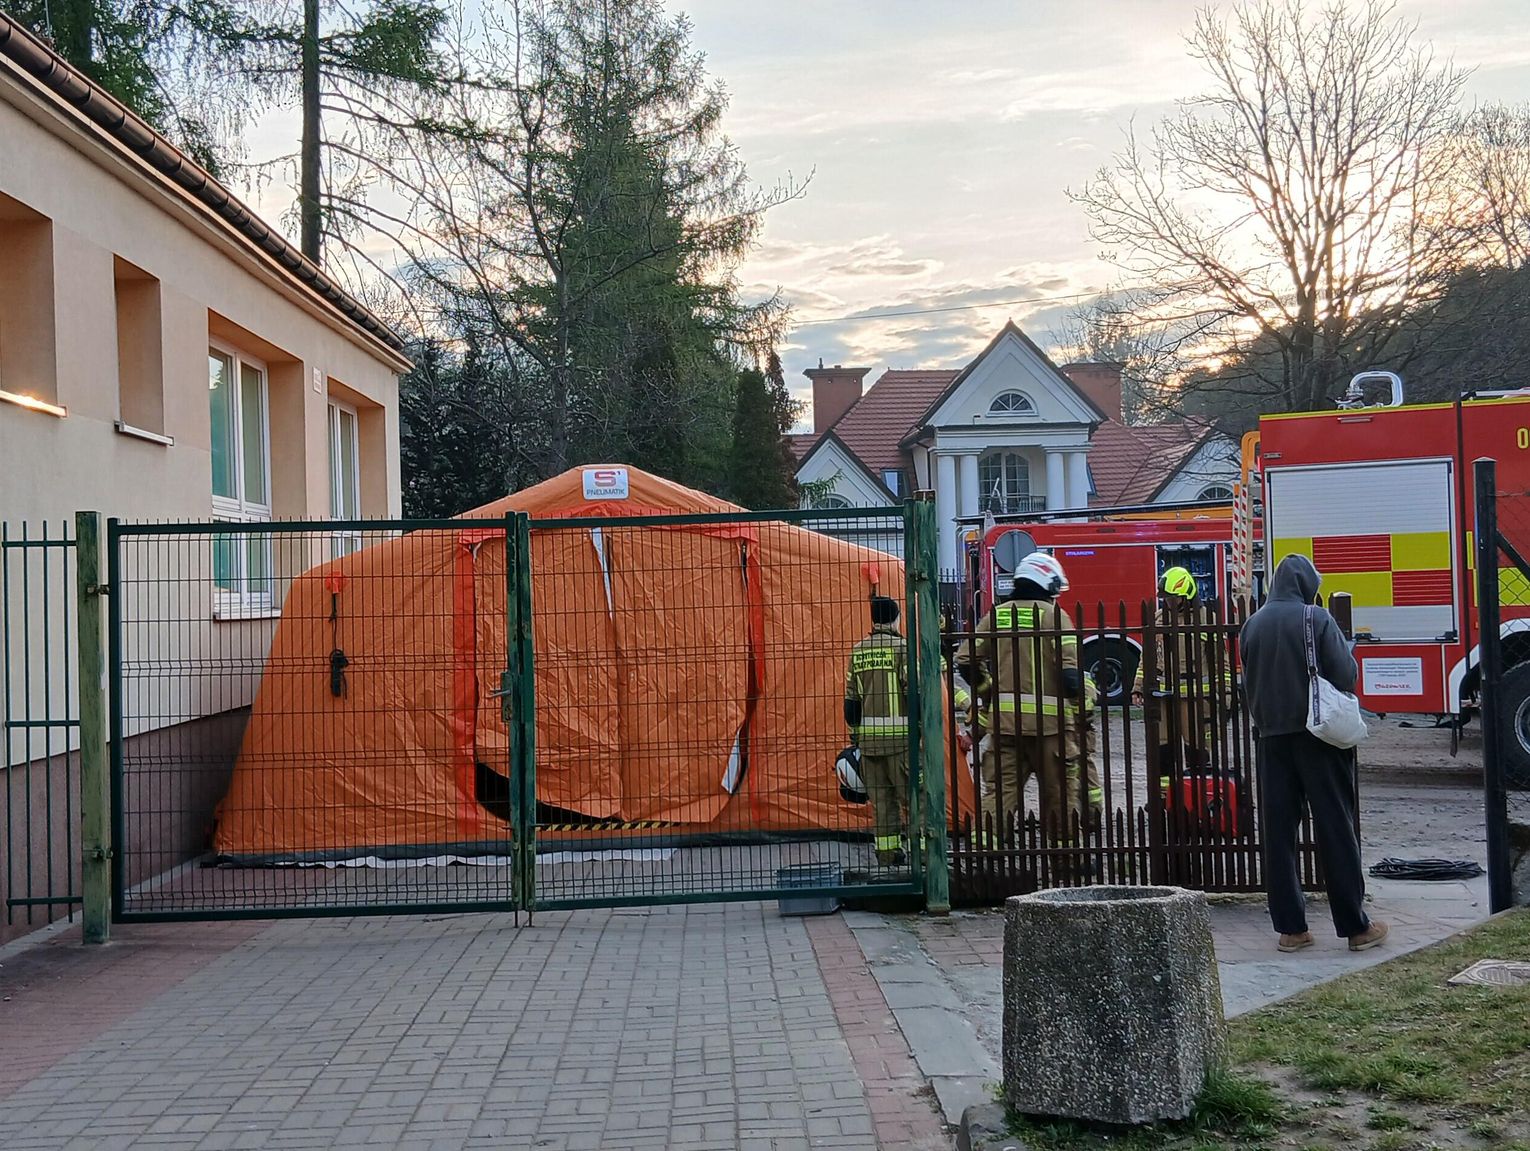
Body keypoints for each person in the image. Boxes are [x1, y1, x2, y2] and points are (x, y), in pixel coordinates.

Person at [1240, 554, 1388, 953]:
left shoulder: (1252, 624)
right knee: (1335, 828)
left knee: (1279, 835)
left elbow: (1247, 680)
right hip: (1316, 738)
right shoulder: (1316, 619)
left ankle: (1291, 930)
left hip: (1271, 740)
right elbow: (1344, 674)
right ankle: (1356, 928)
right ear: (1307, 585)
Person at [956, 553, 1091, 843]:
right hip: (1050, 729)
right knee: (1059, 795)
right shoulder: (1055, 616)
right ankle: (1065, 859)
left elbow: (965, 661)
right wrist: (1081, 711)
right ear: (1045, 581)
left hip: (1005, 727)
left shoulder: (997, 615)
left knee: (1001, 794)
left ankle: (986, 859)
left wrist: (988, 691)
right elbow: (1071, 678)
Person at [1133, 566, 1232, 769]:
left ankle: (1196, 795)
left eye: (1173, 598)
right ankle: (1164, 799)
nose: (1169, 601)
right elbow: (1147, 658)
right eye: (1166, 597)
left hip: (1195, 700)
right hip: (1163, 698)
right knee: (1163, 752)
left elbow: (1221, 663)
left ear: (1186, 596)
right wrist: (1138, 686)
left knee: (1197, 751)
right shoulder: (1159, 619)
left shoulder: (1207, 620)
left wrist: (1227, 693)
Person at [845, 596, 912, 867]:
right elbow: (913, 693)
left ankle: (887, 856)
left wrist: (857, 737)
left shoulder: (859, 650)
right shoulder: (902, 649)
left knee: (882, 805)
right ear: (896, 619)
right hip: (901, 742)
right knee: (914, 800)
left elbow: (851, 702)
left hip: (870, 744)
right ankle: (924, 859)